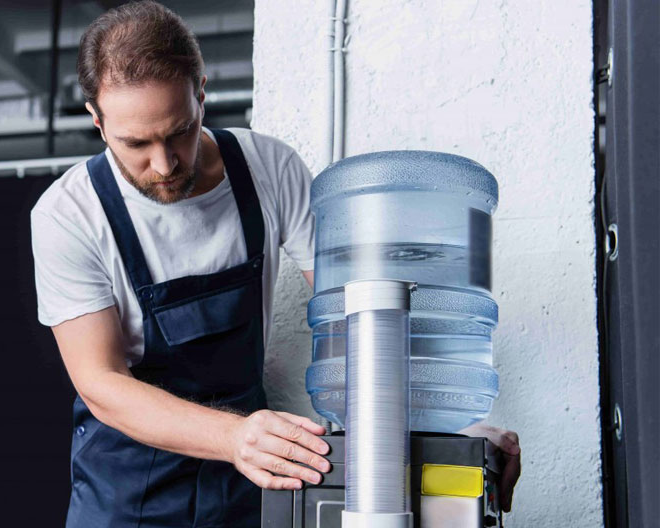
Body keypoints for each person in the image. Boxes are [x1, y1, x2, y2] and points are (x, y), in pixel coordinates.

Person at [31, 2, 520, 526]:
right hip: (128, 492)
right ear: (97, 120)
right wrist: (234, 435)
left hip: (252, 482)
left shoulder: (267, 168)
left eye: (179, 132)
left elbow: (357, 318)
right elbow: (101, 383)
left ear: (201, 94)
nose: (164, 164)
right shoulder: (69, 215)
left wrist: (446, 431)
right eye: (136, 144)